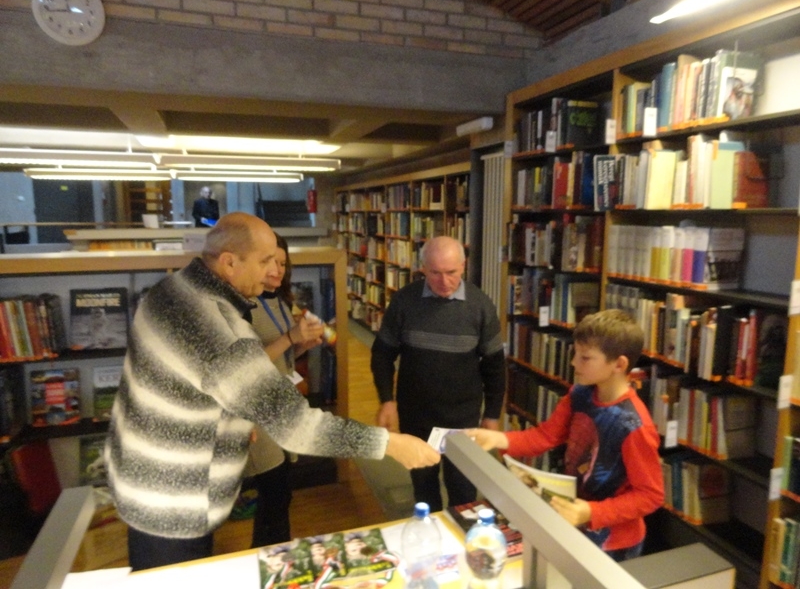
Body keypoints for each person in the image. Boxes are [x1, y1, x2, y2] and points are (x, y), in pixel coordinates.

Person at [105, 212, 440, 571]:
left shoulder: (172, 288)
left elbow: (188, 379)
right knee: (173, 575)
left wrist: (232, 413)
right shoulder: (218, 328)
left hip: (144, 476)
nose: (272, 271)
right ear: (229, 263)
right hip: (171, 502)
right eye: (265, 261)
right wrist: (388, 444)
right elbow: (295, 426)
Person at [466, 309, 664, 562]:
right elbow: (546, 436)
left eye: (585, 358)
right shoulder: (580, 393)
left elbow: (650, 495)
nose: (573, 363)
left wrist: (592, 512)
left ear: (619, 364)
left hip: (614, 541)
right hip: (574, 521)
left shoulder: (634, 426)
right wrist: (499, 439)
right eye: (575, 354)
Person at [371, 235, 505, 513]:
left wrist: (491, 414)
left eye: (451, 272)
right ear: (423, 269)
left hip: (462, 417)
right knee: (423, 487)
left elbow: (494, 365)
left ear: (463, 266)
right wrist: (387, 400)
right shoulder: (404, 301)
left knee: (463, 490)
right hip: (416, 413)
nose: (444, 281)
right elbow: (382, 354)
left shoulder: (480, 305)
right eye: (435, 273)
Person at [245, 232, 321, 548]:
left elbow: (281, 359)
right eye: (269, 262)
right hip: (257, 413)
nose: (277, 270)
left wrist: (302, 345)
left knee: (279, 494)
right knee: (275, 493)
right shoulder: (242, 305)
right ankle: (274, 558)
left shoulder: (278, 300)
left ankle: (270, 555)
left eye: (282, 263)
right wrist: (291, 338)